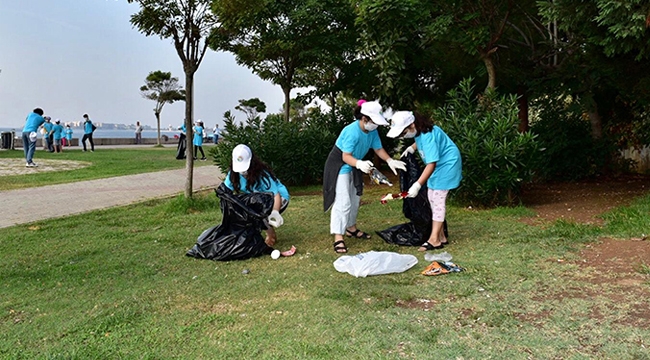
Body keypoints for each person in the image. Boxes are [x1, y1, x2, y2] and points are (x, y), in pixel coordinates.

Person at [322, 100, 406, 254]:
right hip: (340, 165)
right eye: (374, 122)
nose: (376, 125)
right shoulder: (351, 131)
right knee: (343, 201)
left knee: (355, 197)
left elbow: (378, 148)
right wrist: (359, 164)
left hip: (355, 164)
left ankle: (351, 228)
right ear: (364, 118)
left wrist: (390, 160)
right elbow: (345, 156)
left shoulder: (372, 131)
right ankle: (338, 237)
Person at [386, 111, 462, 251]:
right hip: (439, 166)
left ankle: (434, 240)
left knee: (437, 201)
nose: (403, 136)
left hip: (447, 166)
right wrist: (412, 148)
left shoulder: (427, 135)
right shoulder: (420, 131)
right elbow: (421, 143)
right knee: (431, 198)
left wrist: (417, 184)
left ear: (412, 125)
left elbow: (431, 163)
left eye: (403, 133)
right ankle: (441, 236)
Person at [223, 144, 290, 247]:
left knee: (258, 210)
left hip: (279, 198)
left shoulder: (262, 175)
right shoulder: (233, 175)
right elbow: (226, 191)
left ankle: (271, 235)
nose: (243, 172)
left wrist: (275, 212)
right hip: (258, 198)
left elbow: (275, 195)